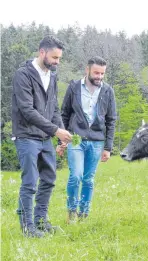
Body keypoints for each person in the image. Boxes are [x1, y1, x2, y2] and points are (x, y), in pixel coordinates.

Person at [12, 35, 72, 238]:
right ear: (42, 52)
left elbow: (54, 109)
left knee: (48, 180)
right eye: (54, 57)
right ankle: (28, 227)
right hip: (26, 136)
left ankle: (40, 221)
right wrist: (55, 130)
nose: (57, 62)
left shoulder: (52, 77)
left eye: (59, 58)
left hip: (45, 138)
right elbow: (27, 110)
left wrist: (62, 134)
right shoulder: (23, 75)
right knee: (30, 181)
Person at [58, 56, 117, 223]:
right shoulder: (74, 87)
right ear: (87, 70)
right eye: (96, 72)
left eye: (102, 73)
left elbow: (111, 120)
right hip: (75, 139)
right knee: (76, 176)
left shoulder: (108, 91)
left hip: (97, 141)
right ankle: (71, 212)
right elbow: (64, 114)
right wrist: (62, 140)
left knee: (88, 179)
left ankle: (84, 214)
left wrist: (108, 147)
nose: (99, 76)